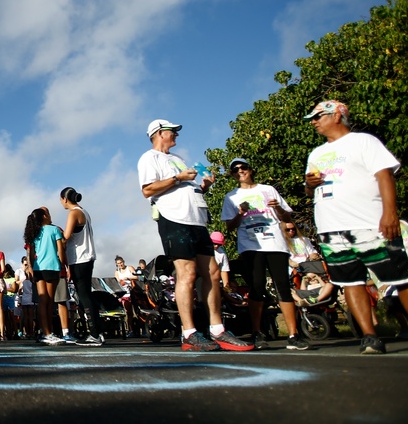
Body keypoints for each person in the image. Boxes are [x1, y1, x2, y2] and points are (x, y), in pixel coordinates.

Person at [303, 100, 408, 355]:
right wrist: (310, 184)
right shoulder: (315, 154)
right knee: (351, 282)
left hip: (369, 223)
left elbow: (384, 176)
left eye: (318, 116)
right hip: (332, 228)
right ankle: (370, 337)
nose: (314, 122)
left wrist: (390, 213)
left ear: (337, 115)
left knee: (402, 277)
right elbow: (309, 192)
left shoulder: (364, 141)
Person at [137, 119, 253, 352]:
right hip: (174, 219)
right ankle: (189, 333)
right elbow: (147, 190)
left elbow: (188, 190)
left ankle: (217, 329)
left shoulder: (177, 159)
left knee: (212, 273)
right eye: (172, 131)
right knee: (187, 274)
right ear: (160, 133)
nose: (176, 135)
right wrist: (178, 178)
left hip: (197, 220)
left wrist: (204, 186)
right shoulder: (149, 158)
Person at [221, 157, 309, 351]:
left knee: (283, 287)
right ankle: (257, 332)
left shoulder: (268, 189)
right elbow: (229, 226)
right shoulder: (231, 197)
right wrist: (241, 213)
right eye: (235, 170)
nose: (240, 171)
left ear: (250, 170)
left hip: (275, 243)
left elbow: (287, 217)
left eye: (243, 167)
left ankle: (294, 334)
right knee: (257, 286)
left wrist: (277, 207)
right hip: (250, 245)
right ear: (232, 175)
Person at [59, 187, 103, 346]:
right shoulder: (84, 211)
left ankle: (95, 335)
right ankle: (96, 332)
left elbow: (66, 237)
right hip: (87, 256)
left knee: (84, 295)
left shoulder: (73, 213)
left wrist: (57, 234)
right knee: (86, 295)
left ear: (64, 198)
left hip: (80, 258)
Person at [24, 207, 65, 345]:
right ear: (44, 217)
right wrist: (65, 265)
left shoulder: (34, 233)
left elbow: (30, 253)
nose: (49, 215)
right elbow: (60, 251)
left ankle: (45, 332)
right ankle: (49, 332)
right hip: (52, 267)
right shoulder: (55, 230)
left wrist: (30, 267)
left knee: (42, 300)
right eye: (47, 214)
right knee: (50, 300)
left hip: (38, 268)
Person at [114, 255, 139, 337]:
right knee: (128, 312)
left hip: (133, 291)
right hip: (124, 293)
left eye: (121, 262)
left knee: (138, 311)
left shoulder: (130, 268)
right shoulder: (117, 272)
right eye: (118, 263)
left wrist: (128, 278)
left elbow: (137, 277)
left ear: (123, 262)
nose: (120, 264)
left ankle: (139, 328)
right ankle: (130, 330)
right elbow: (118, 282)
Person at [18, 256, 36, 339]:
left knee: (25, 316)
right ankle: (31, 332)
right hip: (31, 299)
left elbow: (19, 291)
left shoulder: (24, 282)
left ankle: (27, 332)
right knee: (31, 317)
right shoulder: (33, 282)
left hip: (24, 299)